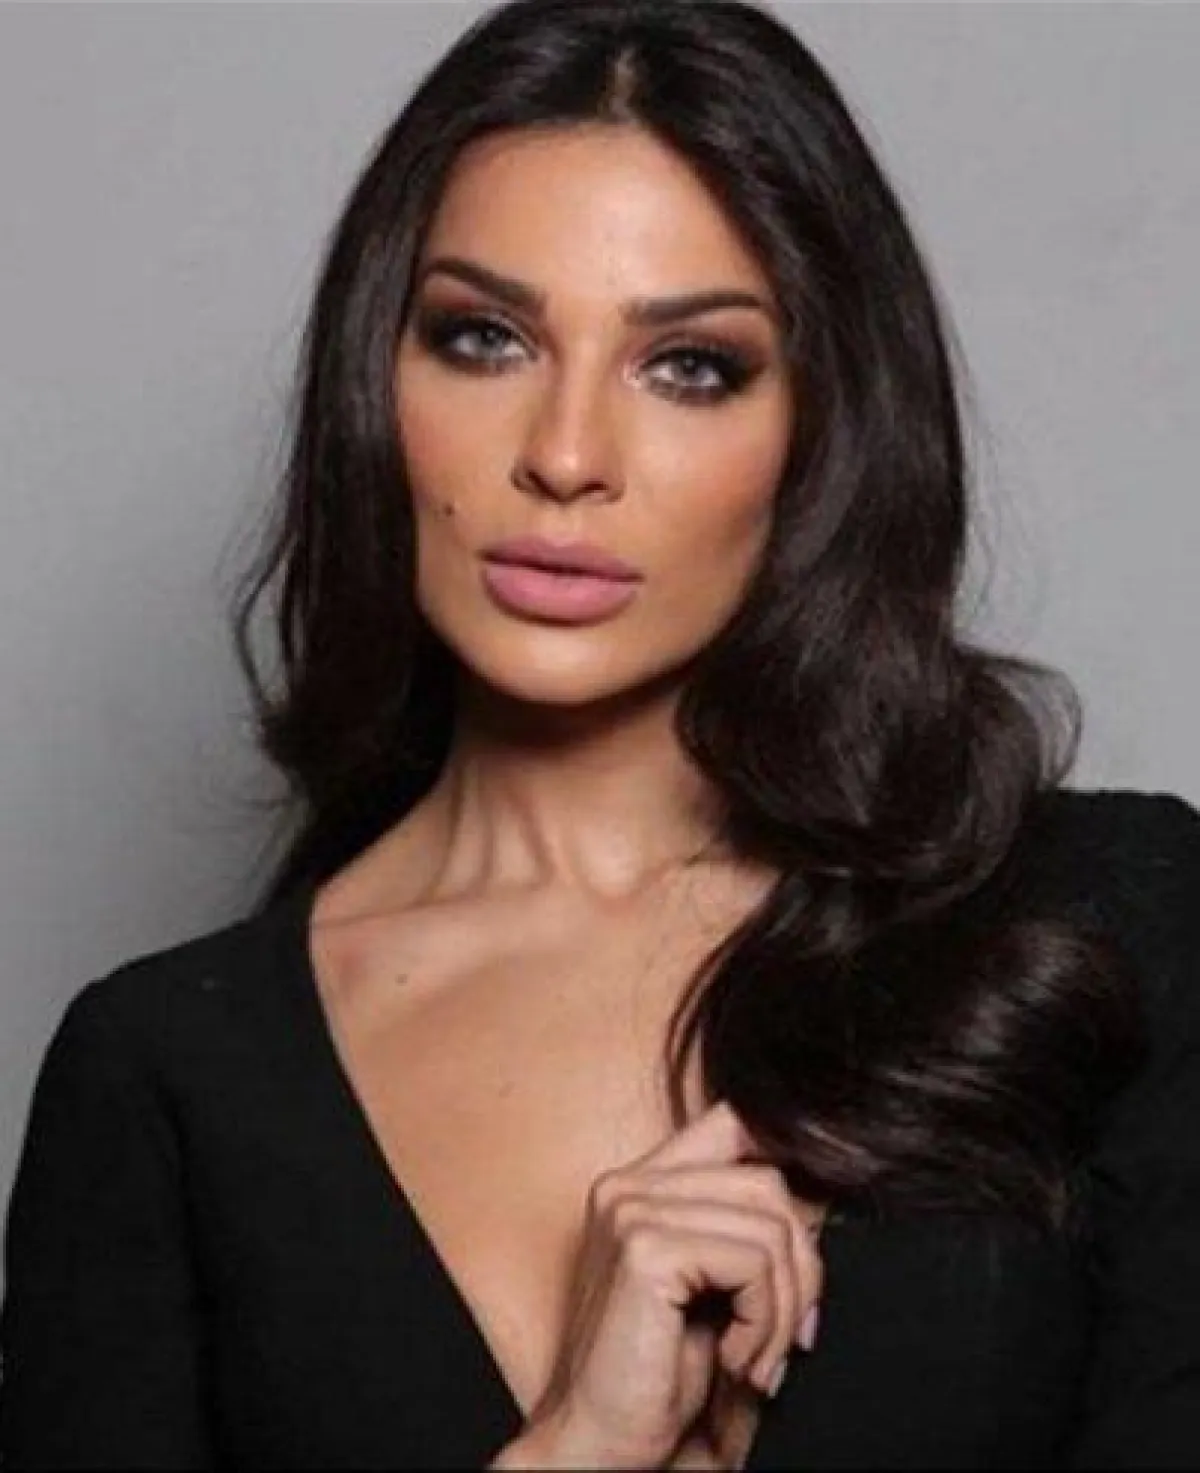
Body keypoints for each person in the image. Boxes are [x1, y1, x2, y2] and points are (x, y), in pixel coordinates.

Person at [2, 0, 1198, 1466]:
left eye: (689, 365)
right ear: (376, 383)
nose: (565, 456)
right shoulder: (167, 1080)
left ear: (822, 431)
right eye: (484, 339)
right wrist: (573, 1449)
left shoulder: (1104, 933)